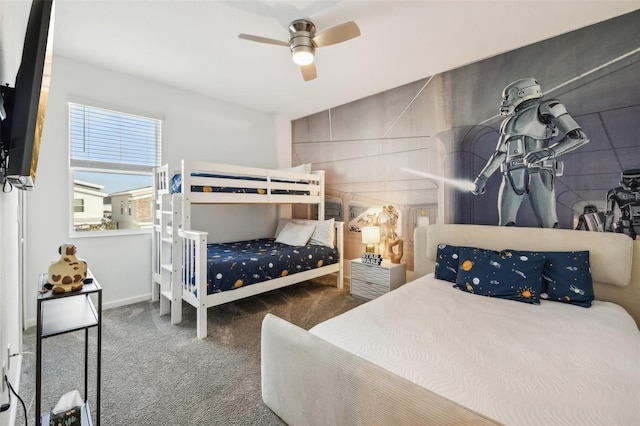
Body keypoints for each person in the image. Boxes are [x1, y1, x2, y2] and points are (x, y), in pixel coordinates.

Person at [472, 78, 589, 228]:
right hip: (511, 175)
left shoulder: (546, 108)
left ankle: (550, 251)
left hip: (538, 171)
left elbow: (578, 137)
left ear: (521, 93)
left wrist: (548, 152)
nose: (504, 102)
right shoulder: (507, 122)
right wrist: (482, 177)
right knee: (505, 226)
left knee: (548, 225)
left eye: (507, 97)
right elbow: (500, 153)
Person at [605, 168, 640, 239]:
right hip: (626, 223)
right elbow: (609, 213)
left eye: (637, 179)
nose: (632, 182)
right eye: (628, 179)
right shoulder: (615, 192)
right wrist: (607, 229)